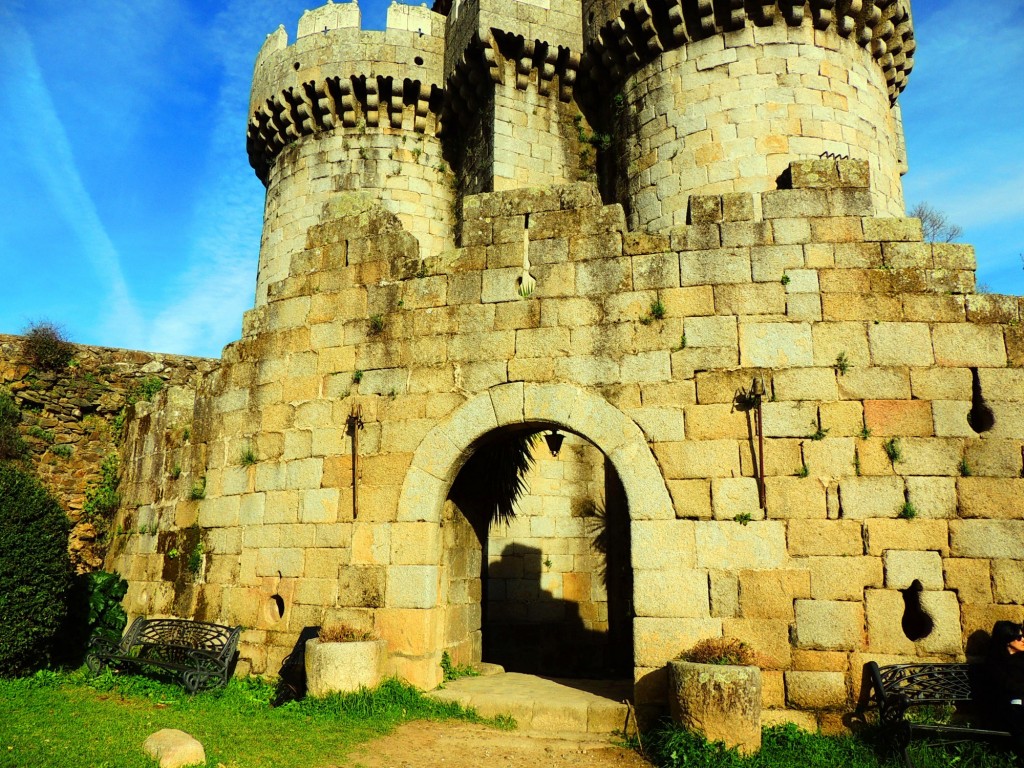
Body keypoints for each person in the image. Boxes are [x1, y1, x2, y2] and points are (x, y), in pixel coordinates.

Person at [987, 621, 1024, 764]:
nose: (1023, 640)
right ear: (1007, 640)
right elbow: (1005, 687)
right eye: (1019, 637)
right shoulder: (995, 662)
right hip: (1007, 707)